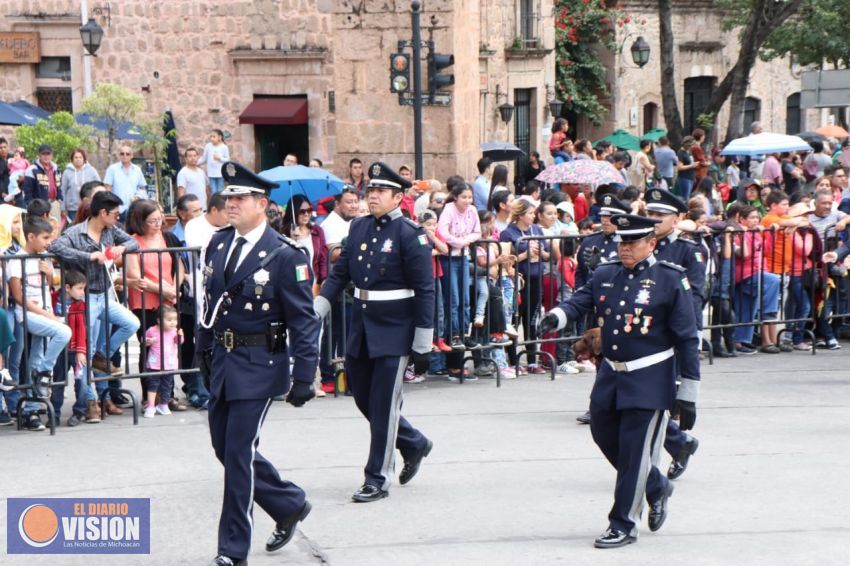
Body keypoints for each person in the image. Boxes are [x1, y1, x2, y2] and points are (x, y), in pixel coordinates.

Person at [537, 213, 699, 549]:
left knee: (636, 451)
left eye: (632, 242)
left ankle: (623, 523)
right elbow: (580, 300)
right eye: (622, 242)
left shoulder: (670, 279)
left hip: (651, 376)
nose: (625, 248)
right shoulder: (606, 273)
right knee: (604, 435)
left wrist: (688, 391)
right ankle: (656, 486)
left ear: (651, 244)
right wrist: (556, 316)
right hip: (611, 373)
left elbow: (687, 337)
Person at [197, 162, 319, 565]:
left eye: (240, 198)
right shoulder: (218, 244)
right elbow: (208, 304)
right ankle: (288, 504)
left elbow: (304, 319)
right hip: (223, 361)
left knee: (237, 454)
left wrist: (304, 375)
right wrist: (202, 350)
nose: (230, 204)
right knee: (226, 447)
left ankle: (232, 551)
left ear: (262, 204)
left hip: (260, 363)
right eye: (228, 196)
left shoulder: (285, 255)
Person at [314, 162, 434, 502]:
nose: (374, 196)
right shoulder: (360, 227)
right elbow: (340, 274)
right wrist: (319, 307)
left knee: (382, 406)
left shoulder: (411, 235)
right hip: (362, 325)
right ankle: (414, 442)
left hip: (395, 330)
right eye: (372, 190)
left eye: (381, 191)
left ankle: (377, 477)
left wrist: (422, 343)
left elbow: (425, 290)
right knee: (365, 400)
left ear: (398, 197)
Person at [48, 191, 141, 411]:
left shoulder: (110, 230)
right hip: (85, 297)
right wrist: (88, 257)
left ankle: (103, 354)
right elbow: (55, 247)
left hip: (105, 295)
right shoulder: (75, 232)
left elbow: (133, 242)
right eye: (115, 214)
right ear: (103, 213)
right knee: (84, 352)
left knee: (131, 323)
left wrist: (122, 248)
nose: (118, 217)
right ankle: (89, 401)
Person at [643, 188, 704, 478]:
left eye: (659, 215)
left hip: (671, 337)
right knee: (641, 400)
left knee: (658, 401)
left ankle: (652, 466)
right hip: (641, 335)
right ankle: (680, 443)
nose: (653, 219)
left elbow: (695, 298)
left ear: (676, 220)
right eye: (649, 214)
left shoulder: (688, 251)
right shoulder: (642, 244)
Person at [8, 217, 73, 432]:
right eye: (45, 238)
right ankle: (44, 371)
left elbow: (47, 288)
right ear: (31, 237)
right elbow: (18, 297)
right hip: (28, 314)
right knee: (64, 332)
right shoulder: (17, 260)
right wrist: (46, 314)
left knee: (37, 356)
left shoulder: (44, 258)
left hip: (45, 312)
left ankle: (31, 411)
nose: (48, 242)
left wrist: (48, 274)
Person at [500, 199, 550, 374]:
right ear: (521, 215)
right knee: (514, 319)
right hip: (518, 280)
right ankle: (513, 361)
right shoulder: (508, 233)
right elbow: (506, 262)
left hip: (536, 278)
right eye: (530, 213)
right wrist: (524, 254)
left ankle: (531, 360)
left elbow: (546, 254)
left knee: (531, 320)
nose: (533, 216)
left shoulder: (536, 230)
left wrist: (540, 252)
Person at [437, 182, 481, 350]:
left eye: (470, 197)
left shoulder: (472, 211)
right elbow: (443, 232)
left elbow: (477, 232)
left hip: (463, 256)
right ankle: (454, 334)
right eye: (464, 197)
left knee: (465, 299)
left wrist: (466, 241)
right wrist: (459, 242)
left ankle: (465, 333)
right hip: (448, 258)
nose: (467, 200)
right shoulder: (448, 209)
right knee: (453, 299)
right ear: (455, 197)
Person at [54, 269, 101, 426]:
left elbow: (82, 329)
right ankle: (54, 413)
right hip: (60, 349)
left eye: (84, 288)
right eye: (79, 288)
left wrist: (81, 351)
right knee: (58, 380)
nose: (83, 292)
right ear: (67, 287)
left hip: (77, 349)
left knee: (81, 382)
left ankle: (79, 411)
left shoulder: (80, 305)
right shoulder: (54, 299)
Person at [142, 306, 183, 418]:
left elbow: (179, 342)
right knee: (153, 385)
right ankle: (151, 405)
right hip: (154, 364)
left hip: (169, 364)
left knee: (167, 385)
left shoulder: (174, 331)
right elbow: (144, 340)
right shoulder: (152, 330)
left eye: (175, 320)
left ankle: (163, 404)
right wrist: (147, 341)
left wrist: (180, 336)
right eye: (169, 320)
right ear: (159, 320)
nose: (173, 323)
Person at [103, 144, 147, 220]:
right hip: (117, 210)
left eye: (127, 154)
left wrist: (138, 196)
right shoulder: (112, 169)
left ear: (131, 156)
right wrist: (110, 207)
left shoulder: (137, 170)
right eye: (122, 154)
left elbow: (142, 188)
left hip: (133, 209)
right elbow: (107, 190)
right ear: (119, 155)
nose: (125, 156)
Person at [60, 148, 100, 222]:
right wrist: (63, 208)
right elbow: (63, 191)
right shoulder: (67, 172)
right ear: (72, 160)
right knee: (74, 229)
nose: (78, 159)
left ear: (84, 159)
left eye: (80, 157)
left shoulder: (91, 171)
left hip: (89, 207)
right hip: (73, 209)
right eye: (76, 157)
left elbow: (99, 186)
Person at [22, 144, 62, 216]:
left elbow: (59, 187)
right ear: (39, 155)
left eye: (48, 154)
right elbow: (27, 191)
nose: (46, 156)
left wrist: (60, 199)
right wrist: (31, 207)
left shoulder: (56, 169)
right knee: (40, 226)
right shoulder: (32, 170)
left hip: (54, 203)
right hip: (39, 206)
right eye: (43, 154)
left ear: (52, 155)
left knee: (55, 226)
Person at [198, 129, 229, 194]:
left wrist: (220, 158)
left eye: (214, 136)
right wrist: (196, 163)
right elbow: (204, 158)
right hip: (211, 173)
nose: (212, 138)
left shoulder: (224, 147)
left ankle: (219, 203)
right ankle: (214, 204)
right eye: (211, 137)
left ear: (220, 137)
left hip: (220, 173)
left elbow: (227, 160)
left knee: (220, 190)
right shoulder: (208, 146)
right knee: (213, 190)